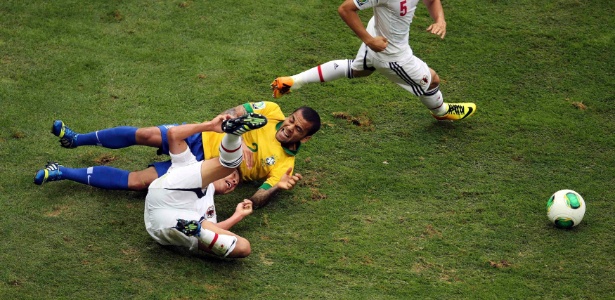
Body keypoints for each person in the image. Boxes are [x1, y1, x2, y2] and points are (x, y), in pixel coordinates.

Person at [34, 101, 321, 208]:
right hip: (200, 136)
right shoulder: (271, 111)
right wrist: (235, 133)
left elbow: (257, 198)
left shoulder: (285, 164)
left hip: (203, 168)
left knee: (139, 182)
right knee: (144, 134)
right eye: (292, 120)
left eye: (297, 129)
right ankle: (76, 139)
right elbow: (236, 111)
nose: (289, 127)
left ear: (305, 138)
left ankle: (61, 171)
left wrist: (277, 188)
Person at [271, 0, 476, 121]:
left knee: (359, 70)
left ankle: (293, 81)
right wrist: (369, 41)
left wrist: (440, 20)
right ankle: (441, 111)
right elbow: (345, 8)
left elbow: (432, 0)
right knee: (432, 79)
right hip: (392, 55)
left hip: (379, 35)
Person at [144, 112, 266, 258]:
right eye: (234, 177)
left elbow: (216, 230)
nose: (234, 182)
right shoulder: (189, 162)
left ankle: (198, 232)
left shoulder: (210, 210)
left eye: (236, 184)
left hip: (165, 224)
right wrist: (210, 126)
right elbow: (173, 134)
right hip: (166, 196)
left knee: (243, 247)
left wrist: (238, 215)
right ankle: (233, 135)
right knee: (228, 165)